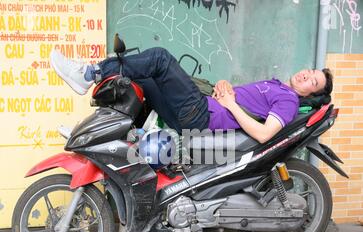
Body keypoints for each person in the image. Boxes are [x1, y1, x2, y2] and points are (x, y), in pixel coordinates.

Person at [50, 47, 333, 143]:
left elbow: (263, 134)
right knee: (141, 78)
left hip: (200, 115)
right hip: (200, 108)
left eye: (314, 81)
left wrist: (231, 104)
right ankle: (96, 135)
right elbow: (242, 99)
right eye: (309, 71)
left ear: (311, 93)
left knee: (159, 58)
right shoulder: (278, 86)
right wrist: (224, 85)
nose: (307, 75)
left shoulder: (288, 100)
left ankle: (89, 74)